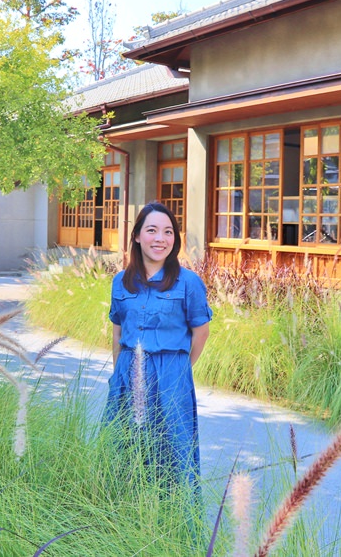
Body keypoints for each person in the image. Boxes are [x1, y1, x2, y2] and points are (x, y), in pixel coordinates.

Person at [103, 201, 212, 495]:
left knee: (172, 453)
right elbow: (118, 329)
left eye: (168, 232)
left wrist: (178, 370)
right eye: (152, 230)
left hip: (170, 380)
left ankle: (174, 524)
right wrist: (119, 374)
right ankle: (124, 516)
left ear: (174, 239)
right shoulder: (120, 283)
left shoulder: (188, 283)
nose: (160, 239)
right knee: (122, 450)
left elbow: (201, 331)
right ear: (137, 236)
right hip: (127, 376)